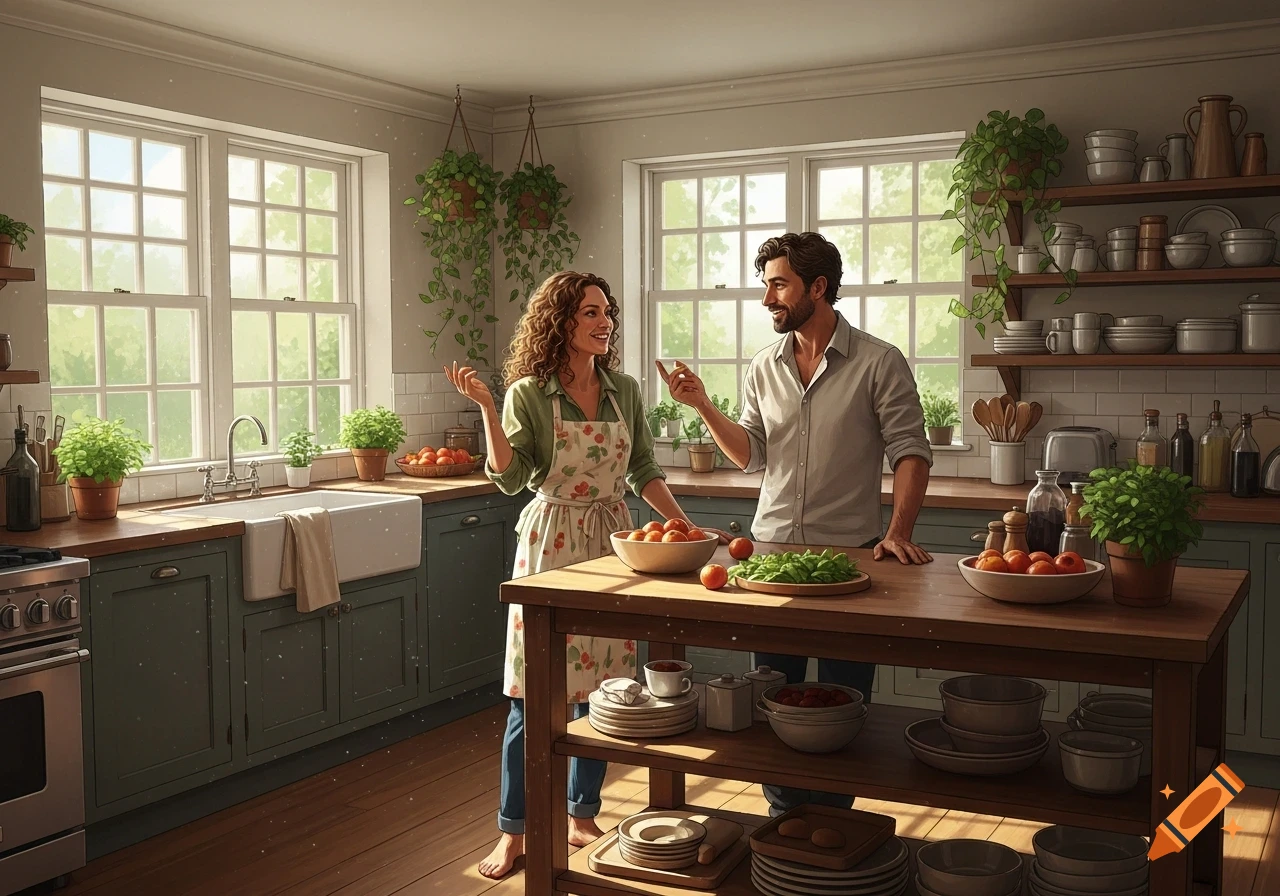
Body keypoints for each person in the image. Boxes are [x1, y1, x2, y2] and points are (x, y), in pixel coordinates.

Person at [448, 271, 727, 879]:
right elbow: (509, 475)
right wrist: (489, 412)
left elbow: (644, 469)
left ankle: (580, 813)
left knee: (608, 692)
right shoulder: (529, 392)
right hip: (551, 542)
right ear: (561, 322)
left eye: (607, 312)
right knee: (531, 692)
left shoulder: (623, 389)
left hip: (613, 543)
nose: (604, 322)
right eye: (590, 313)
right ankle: (514, 831)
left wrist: (685, 529)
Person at [658, 231, 934, 817]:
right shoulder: (764, 365)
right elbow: (750, 454)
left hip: (849, 561)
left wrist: (899, 532)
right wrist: (703, 405)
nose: (768, 299)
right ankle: (785, 819)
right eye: (766, 285)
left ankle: (832, 816)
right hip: (770, 557)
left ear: (818, 286)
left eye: (778, 285)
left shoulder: (879, 361)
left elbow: (911, 450)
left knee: (841, 699)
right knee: (772, 697)